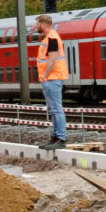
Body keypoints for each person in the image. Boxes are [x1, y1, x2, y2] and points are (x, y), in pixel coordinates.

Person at [33, 15, 68, 146]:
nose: (35, 26)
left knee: (56, 109)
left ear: (42, 23)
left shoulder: (52, 38)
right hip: (51, 78)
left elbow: (52, 59)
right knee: (53, 110)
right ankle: (55, 137)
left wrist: (44, 75)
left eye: (36, 24)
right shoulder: (49, 38)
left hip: (53, 77)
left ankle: (60, 137)